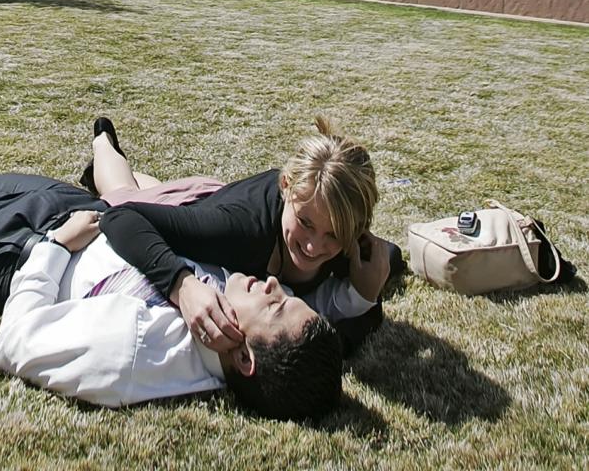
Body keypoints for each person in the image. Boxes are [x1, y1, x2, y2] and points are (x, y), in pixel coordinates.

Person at [0, 114, 344, 421]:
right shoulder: (227, 305)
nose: (272, 285)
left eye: (276, 305)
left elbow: (13, 344)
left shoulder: (135, 351)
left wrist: (54, 246)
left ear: (245, 358)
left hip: (18, 252)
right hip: (85, 217)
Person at [100, 117, 397, 359]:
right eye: (305, 223)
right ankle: (102, 141)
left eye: (333, 234)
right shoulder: (237, 230)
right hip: (199, 205)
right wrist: (183, 285)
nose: (313, 246)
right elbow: (122, 217)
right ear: (286, 186)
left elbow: (366, 309)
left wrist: (365, 296)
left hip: (213, 199)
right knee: (121, 192)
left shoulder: (352, 245)